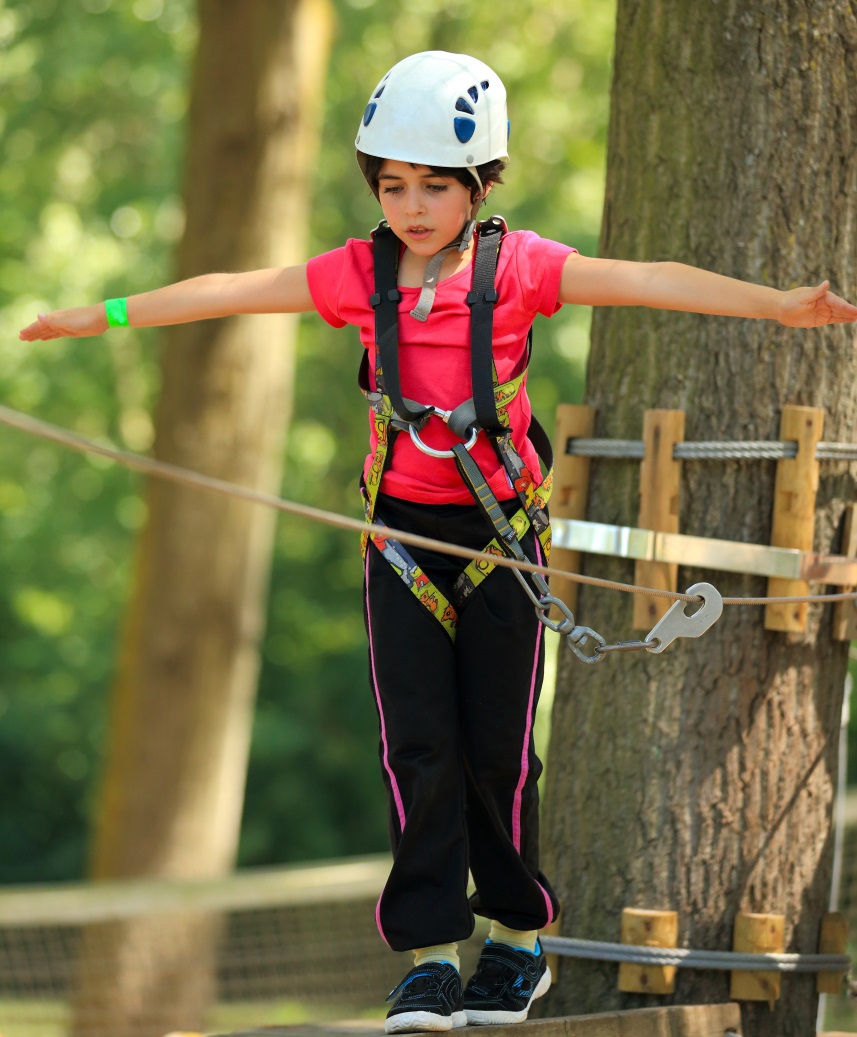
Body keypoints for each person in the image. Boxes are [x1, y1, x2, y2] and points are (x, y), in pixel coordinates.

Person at [19, 50, 857, 1034]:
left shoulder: (520, 269)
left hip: (499, 539)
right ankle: (428, 957)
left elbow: (643, 279)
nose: (411, 206)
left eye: (433, 186)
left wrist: (777, 306)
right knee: (416, 747)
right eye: (392, 185)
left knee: (496, 755)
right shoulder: (354, 275)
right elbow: (232, 289)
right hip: (399, 543)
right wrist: (98, 315)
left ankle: (514, 938)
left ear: (477, 186)